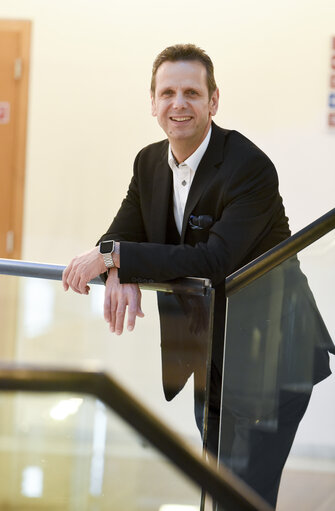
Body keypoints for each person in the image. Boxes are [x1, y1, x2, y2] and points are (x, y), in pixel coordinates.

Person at [62, 44, 334, 508]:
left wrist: (115, 257)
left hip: (273, 358)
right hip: (211, 352)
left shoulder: (249, 167)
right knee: (216, 481)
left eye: (191, 91)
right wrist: (114, 264)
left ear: (214, 100)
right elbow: (122, 233)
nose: (178, 103)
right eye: (167, 92)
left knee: (242, 494)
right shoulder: (148, 163)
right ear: (152, 103)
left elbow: (214, 261)